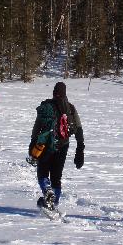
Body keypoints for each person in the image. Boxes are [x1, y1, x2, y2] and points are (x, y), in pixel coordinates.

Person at [28, 82, 85, 211]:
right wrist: (80, 148)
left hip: (46, 145)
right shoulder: (70, 108)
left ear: (53, 92)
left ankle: (47, 191)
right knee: (56, 176)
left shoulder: (46, 107)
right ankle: (54, 202)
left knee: (42, 173)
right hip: (63, 146)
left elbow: (37, 127)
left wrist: (33, 142)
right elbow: (79, 129)